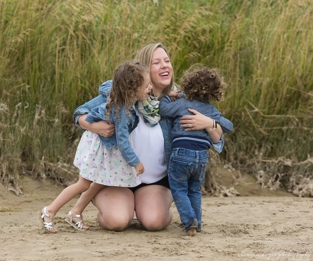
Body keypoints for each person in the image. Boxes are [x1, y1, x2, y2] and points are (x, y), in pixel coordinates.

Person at [74, 43, 232, 232]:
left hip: (154, 180)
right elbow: (79, 114)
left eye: (167, 61)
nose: (165, 65)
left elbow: (218, 138)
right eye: (156, 62)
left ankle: (146, 205)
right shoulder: (123, 91)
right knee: (117, 221)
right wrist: (95, 126)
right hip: (116, 177)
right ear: (143, 70)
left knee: (154, 222)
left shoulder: (179, 99)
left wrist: (209, 124)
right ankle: (119, 203)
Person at [42, 62, 151, 232]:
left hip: (108, 151)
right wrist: (136, 163)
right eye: (147, 85)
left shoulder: (125, 99)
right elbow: (123, 142)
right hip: (101, 150)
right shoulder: (122, 111)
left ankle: (75, 212)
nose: (150, 88)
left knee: (101, 180)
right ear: (132, 90)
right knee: (83, 184)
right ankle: (49, 210)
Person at [158, 66, 230, 235]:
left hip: (181, 153)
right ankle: (198, 222)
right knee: (194, 190)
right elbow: (229, 126)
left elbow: (163, 110)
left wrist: (167, 97)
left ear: (188, 85)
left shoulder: (182, 103)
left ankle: (190, 221)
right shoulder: (211, 110)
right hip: (202, 157)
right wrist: (211, 123)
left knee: (179, 189)